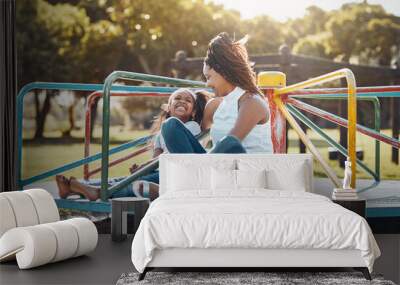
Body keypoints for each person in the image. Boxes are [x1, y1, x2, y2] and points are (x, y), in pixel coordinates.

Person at [134, 32, 273, 199]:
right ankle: (179, 185)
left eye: (209, 77)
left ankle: (171, 188)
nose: (207, 83)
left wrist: (197, 164)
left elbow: (230, 146)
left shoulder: (252, 102)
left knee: (230, 145)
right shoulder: (217, 105)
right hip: (213, 172)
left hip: (244, 175)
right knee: (170, 125)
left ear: (224, 72)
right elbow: (189, 147)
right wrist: (151, 164)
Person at [56, 88, 210, 201]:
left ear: (194, 111)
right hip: (161, 171)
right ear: (168, 107)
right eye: (177, 98)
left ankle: (97, 192)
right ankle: (71, 188)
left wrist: (145, 167)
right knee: (124, 179)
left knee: (135, 182)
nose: (182, 101)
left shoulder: (192, 127)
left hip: (178, 172)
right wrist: (143, 168)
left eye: (188, 100)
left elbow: (172, 155)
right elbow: (157, 159)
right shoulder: (160, 135)